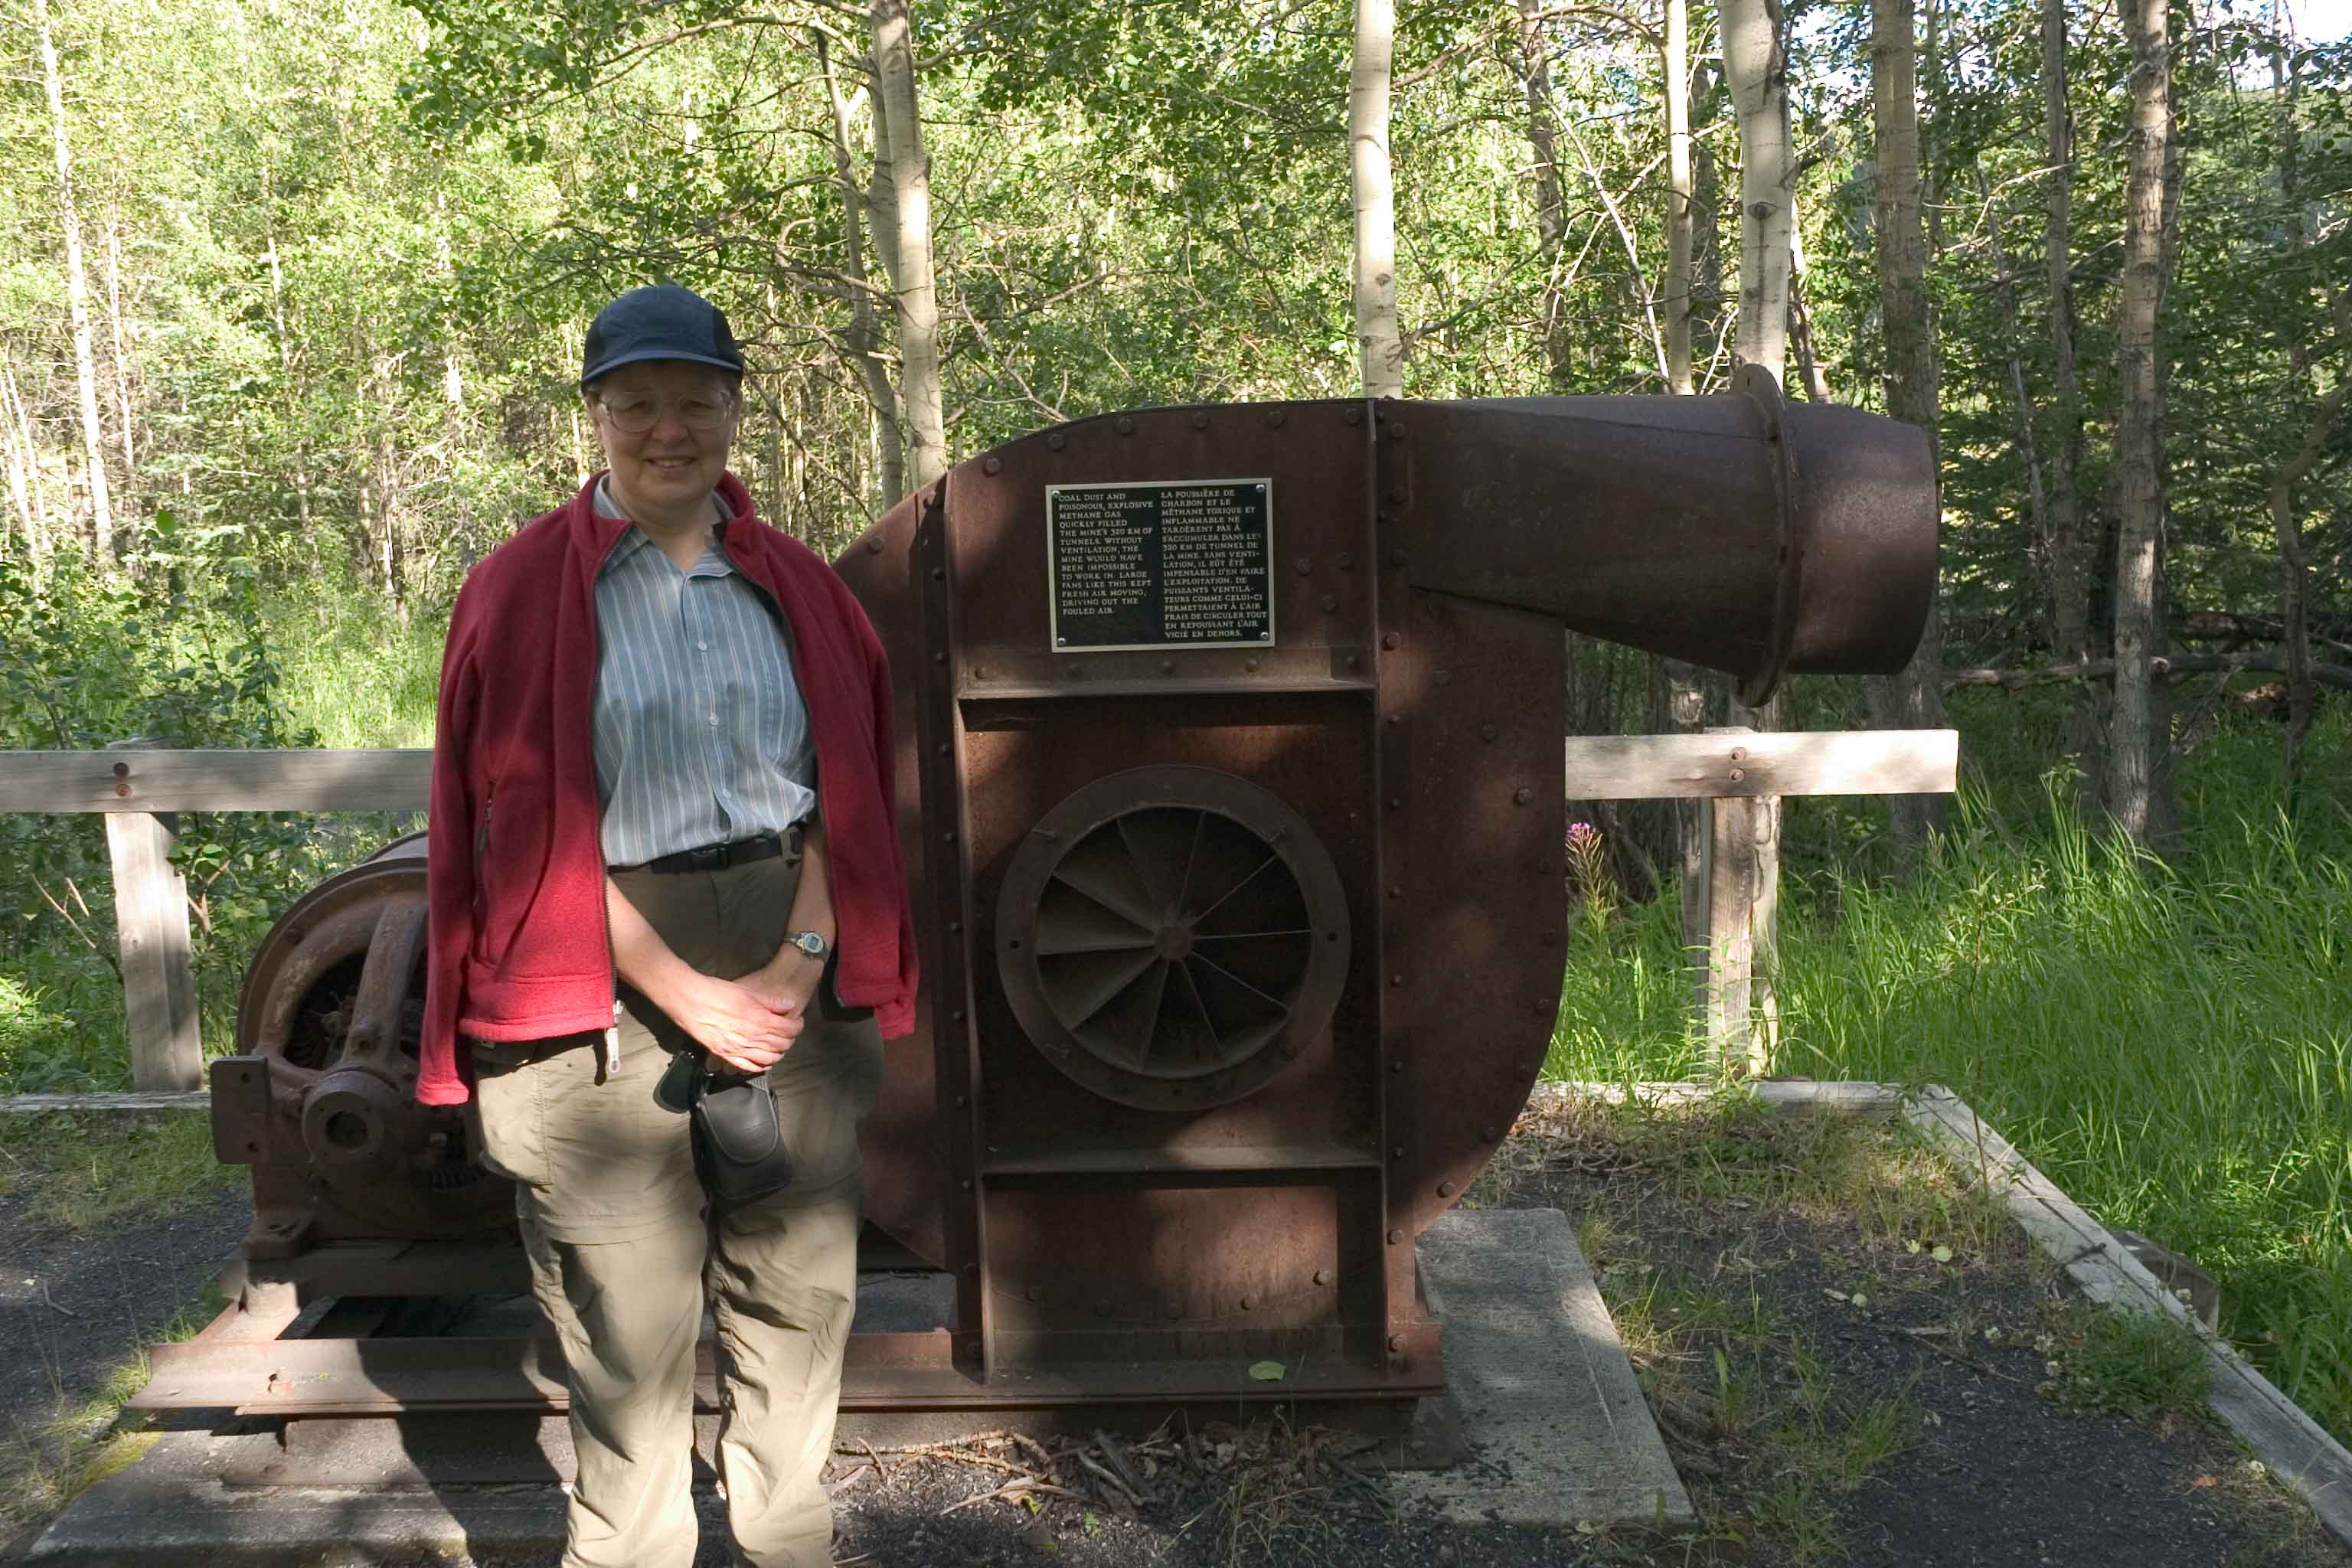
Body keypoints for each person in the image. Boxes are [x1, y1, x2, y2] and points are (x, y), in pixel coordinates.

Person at [414, 283, 918, 1568]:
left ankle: (787, 1539)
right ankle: (631, 1551)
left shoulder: (799, 588)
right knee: (624, 1313)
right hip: (598, 965)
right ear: (594, 416)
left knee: (797, 1286)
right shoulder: (519, 590)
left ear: (736, 411)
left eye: (695, 401)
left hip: (787, 941)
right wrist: (684, 990)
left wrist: (800, 962)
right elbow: (512, 821)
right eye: (634, 403)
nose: (667, 430)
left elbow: (851, 792)